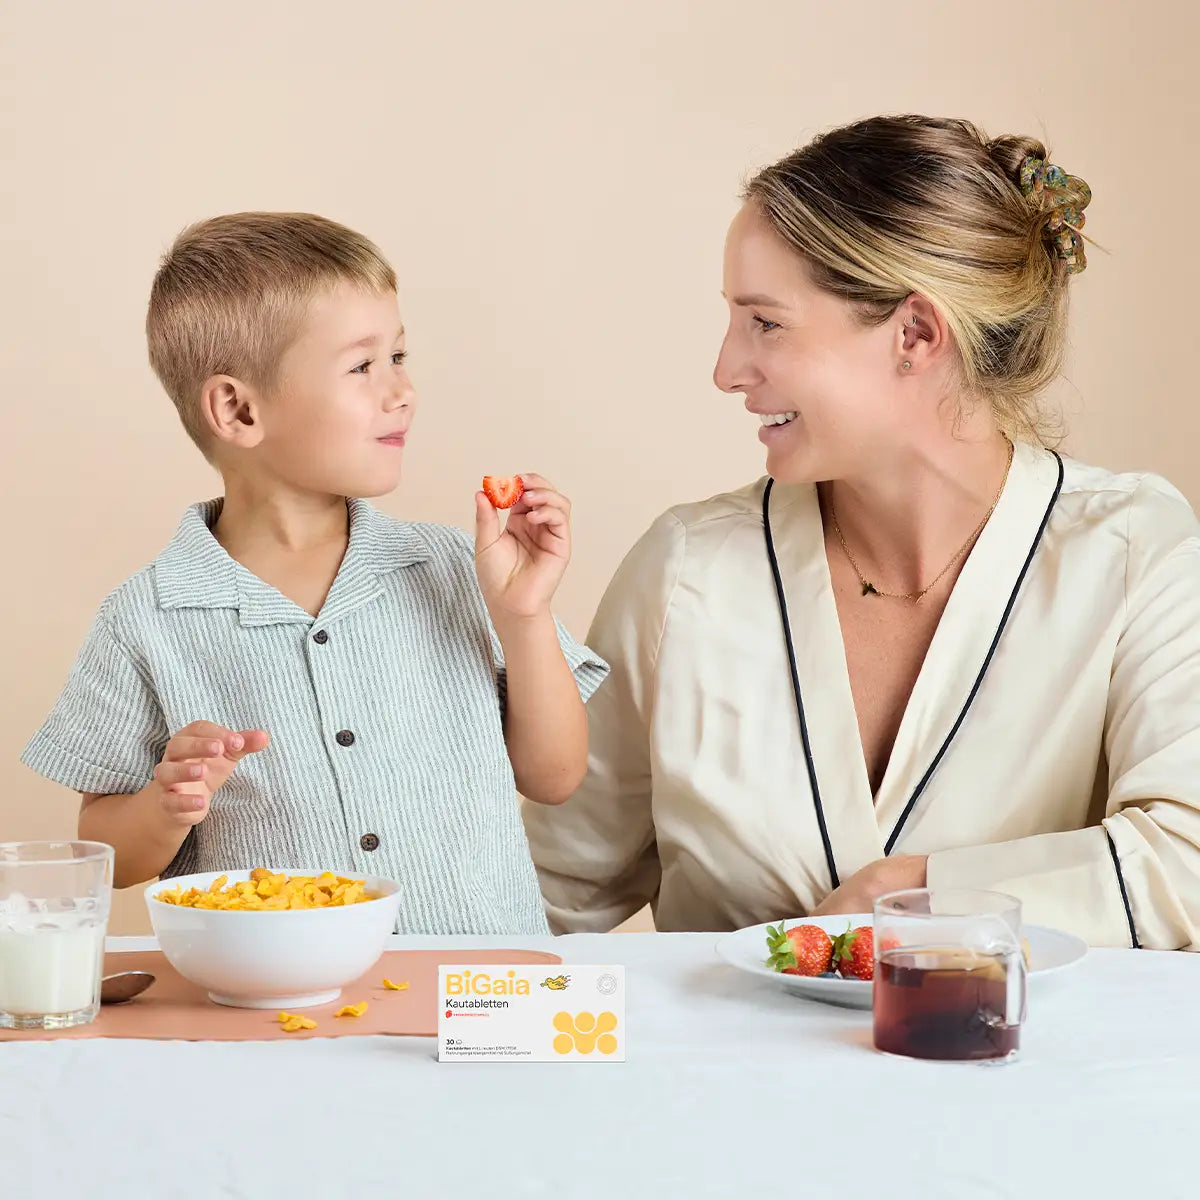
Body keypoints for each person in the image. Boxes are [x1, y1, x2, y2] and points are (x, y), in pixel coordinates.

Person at [523, 115, 1200, 950]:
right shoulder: (686, 573)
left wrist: (923, 893)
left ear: (915, 335)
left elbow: (1187, 867)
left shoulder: (1134, 554)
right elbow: (535, 892)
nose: (726, 369)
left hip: (1026, 1080)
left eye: (764, 322)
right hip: (726, 1083)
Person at [22, 212, 607, 934]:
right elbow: (107, 847)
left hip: (475, 994)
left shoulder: (456, 568)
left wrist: (523, 618)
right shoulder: (148, 618)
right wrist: (165, 806)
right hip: (277, 1008)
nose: (402, 390)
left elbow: (554, 778)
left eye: (399, 355)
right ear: (236, 408)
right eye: (363, 366)